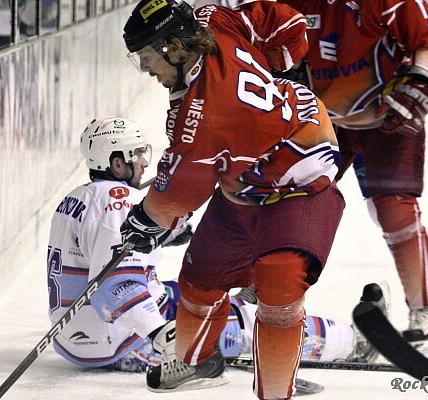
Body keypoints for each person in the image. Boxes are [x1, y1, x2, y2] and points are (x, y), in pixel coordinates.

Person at [121, 1, 345, 398]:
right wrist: (280, 64)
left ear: (174, 47)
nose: (145, 68)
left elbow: (179, 195)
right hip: (245, 177)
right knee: (201, 277)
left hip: (301, 171)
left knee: (279, 282)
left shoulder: (203, 117)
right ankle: (198, 362)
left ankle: (274, 392)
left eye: (147, 57)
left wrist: (146, 219)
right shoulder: (212, 19)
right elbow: (286, 20)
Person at [47, 117, 388, 377]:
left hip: (76, 336)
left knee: (194, 294)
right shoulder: (118, 199)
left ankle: (236, 304)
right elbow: (115, 286)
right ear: (116, 163)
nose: (144, 163)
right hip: (122, 340)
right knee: (244, 323)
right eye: (135, 155)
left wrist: (166, 233)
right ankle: (353, 342)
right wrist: (161, 335)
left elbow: (102, 252)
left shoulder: (76, 198)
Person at [265, 0, 428, 354]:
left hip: (388, 118)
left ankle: (425, 311)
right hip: (322, 118)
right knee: (290, 202)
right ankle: (258, 293)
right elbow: (275, 52)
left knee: (395, 211)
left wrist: (418, 82)